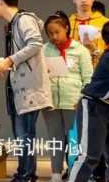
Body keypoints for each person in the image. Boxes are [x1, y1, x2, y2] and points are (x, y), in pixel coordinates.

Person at [0, 0, 53, 182]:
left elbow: (35, 43)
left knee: (24, 135)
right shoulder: (14, 23)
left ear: (1, 1)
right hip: (19, 87)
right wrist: (7, 64)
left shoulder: (24, 19)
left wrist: (10, 60)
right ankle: (26, 174)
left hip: (29, 89)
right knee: (23, 135)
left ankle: (24, 176)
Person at [42, 11, 93, 182]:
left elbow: (88, 79)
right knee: (55, 138)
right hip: (51, 102)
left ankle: (74, 173)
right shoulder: (43, 50)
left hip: (73, 101)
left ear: (66, 28)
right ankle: (56, 173)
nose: (54, 36)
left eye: (57, 32)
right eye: (50, 33)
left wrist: (82, 99)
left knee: (74, 140)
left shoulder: (80, 51)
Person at [68, 22, 109, 182]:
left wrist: (93, 49)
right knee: (89, 156)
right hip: (94, 107)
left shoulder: (105, 56)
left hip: (105, 107)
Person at [68, 0, 108, 69]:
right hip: (72, 72)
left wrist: (94, 49)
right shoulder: (67, 24)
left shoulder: (105, 23)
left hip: (99, 72)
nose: (83, 0)